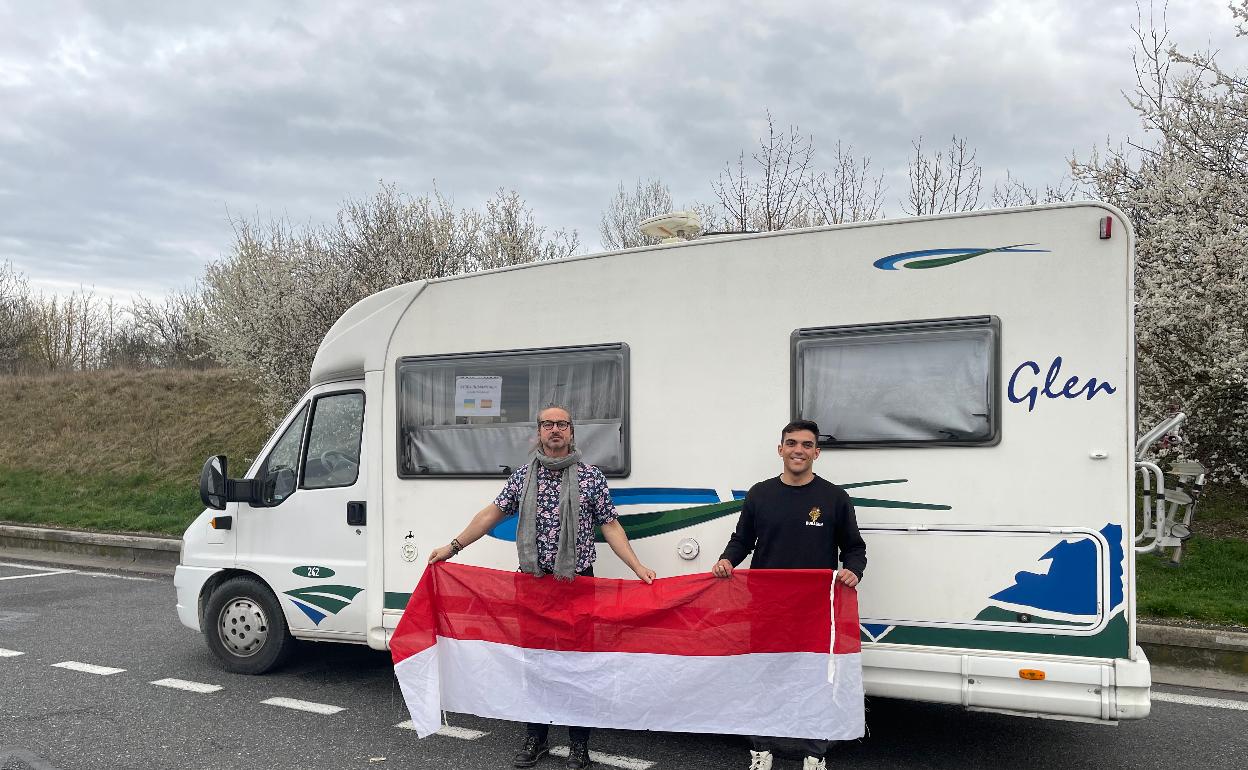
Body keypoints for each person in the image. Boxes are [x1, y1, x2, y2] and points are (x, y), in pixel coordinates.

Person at [429, 404, 656, 770]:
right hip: (533, 586)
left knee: (578, 665)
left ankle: (579, 744)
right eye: (548, 424)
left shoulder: (591, 477)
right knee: (535, 664)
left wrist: (638, 566)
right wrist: (452, 547)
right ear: (538, 432)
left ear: (571, 432)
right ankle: (536, 738)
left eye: (561, 424)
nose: (555, 430)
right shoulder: (522, 478)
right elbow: (490, 515)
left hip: (577, 584)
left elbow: (610, 525)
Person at [711, 419, 867, 770]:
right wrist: (726, 559)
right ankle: (761, 749)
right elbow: (742, 540)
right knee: (766, 677)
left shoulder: (834, 498)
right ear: (780, 449)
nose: (799, 450)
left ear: (817, 452)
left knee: (815, 680)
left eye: (807, 445)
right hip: (765, 607)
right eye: (792, 443)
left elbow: (855, 549)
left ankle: (814, 753)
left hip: (816, 610)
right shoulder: (760, 494)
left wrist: (853, 570)